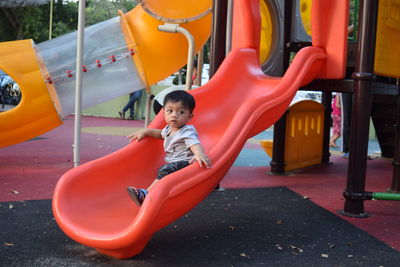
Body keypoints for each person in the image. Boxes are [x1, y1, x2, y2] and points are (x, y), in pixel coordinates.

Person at [126, 90, 211, 206]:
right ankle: (154, 194)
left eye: (181, 112)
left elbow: (193, 142)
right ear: (163, 112)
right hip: (175, 163)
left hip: (186, 163)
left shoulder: (187, 131)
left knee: (165, 170)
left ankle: (146, 194)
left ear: (189, 117)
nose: (174, 115)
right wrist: (145, 131)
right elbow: (160, 134)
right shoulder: (168, 129)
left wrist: (199, 154)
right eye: (170, 111)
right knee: (164, 171)